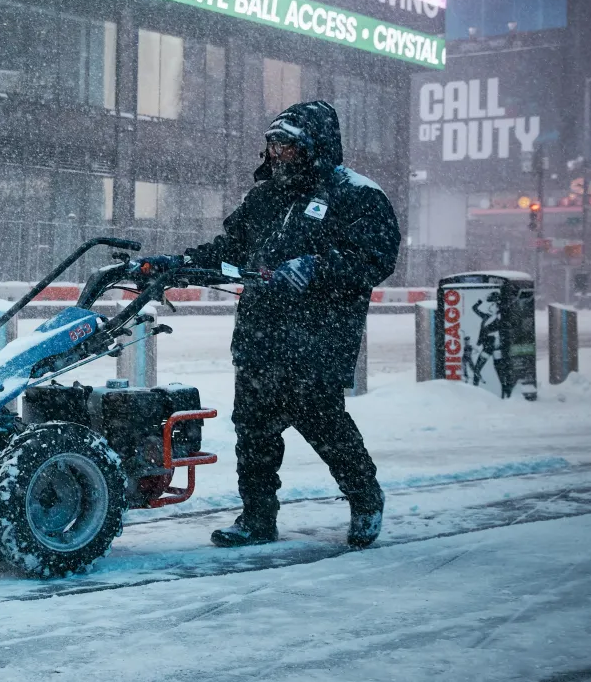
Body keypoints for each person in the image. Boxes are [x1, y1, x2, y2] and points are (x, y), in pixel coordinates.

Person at [133, 100, 399, 549]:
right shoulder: (264, 197)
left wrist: (317, 267)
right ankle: (257, 518)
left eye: (287, 147)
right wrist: (179, 264)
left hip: (319, 336)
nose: (277, 156)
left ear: (313, 147)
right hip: (262, 333)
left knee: (324, 425)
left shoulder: (356, 195)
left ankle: (365, 498)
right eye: (273, 146)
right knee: (253, 429)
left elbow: (376, 259)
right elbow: (230, 249)